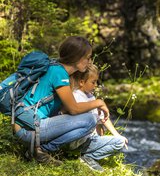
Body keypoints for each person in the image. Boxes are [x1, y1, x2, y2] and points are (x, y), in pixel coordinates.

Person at [13, 36, 110, 166]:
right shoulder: (59, 73)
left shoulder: (55, 68)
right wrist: (99, 102)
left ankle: (38, 150)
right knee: (90, 119)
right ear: (77, 57)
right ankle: (40, 151)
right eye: (88, 57)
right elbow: (73, 109)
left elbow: (63, 109)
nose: (90, 61)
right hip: (29, 128)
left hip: (26, 124)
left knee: (86, 119)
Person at [68, 64, 128, 171]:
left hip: (90, 139)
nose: (96, 85)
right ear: (81, 82)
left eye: (97, 82)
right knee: (118, 143)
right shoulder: (76, 96)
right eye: (93, 82)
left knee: (120, 141)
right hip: (80, 141)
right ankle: (88, 157)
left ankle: (87, 156)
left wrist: (117, 135)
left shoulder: (90, 96)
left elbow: (103, 118)